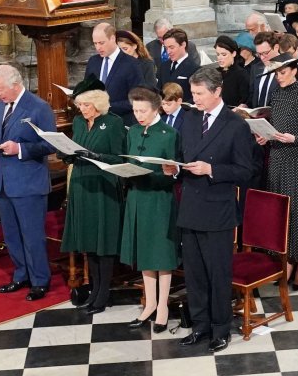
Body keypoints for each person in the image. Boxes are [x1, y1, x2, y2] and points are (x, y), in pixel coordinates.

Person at [165, 66, 258, 353]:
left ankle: (220, 328)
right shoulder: (191, 120)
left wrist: (212, 169)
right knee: (194, 273)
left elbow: (248, 170)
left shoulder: (236, 125)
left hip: (218, 210)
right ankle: (200, 325)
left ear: (218, 91)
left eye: (200, 94)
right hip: (190, 207)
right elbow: (182, 156)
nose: (195, 99)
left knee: (218, 273)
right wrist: (174, 169)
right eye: (193, 93)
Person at [0, 64, 57, 301]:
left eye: (0, 88)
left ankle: (39, 280)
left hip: (28, 182)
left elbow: (50, 145)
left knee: (32, 234)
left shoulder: (39, 108)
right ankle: (21, 275)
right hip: (4, 181)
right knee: (12, 234)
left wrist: (20, 149)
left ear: (15, 84)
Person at [253, 58, 298, 290]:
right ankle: (282, 259)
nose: (278, 76)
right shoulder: (276, 95)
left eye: (282, 72)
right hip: (277, 158)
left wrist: (294, 138)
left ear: (294, 71)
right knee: (278, 212)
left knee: (296, 214)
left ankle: (297, 262)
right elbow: (276, 127)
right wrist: (265, 136)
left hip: (295, 161)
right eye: (276, 73)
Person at [59, 82, 125, 315]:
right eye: (79, 105)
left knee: (103, 242)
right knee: (89, 242)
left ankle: (103, 294)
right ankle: (95, 291)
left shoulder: (113, 123)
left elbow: (119, 158)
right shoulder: (78, 122)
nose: (82, 109)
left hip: (103, 186)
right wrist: (65, 153)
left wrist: (96, 156)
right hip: (81, 185)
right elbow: (74, 146)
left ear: (98, 103)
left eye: (86, 104)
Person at [119, 87, 179, 333]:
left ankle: (163, 306)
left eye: (143, 111)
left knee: (161, 253)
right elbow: (128, 160)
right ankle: (150, 302)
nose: (138, 115)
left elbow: (174, 172)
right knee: (144, 251)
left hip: (159, 199)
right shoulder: (132, 131)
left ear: (156, 109)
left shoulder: (169, 133)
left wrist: (165, 174)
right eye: (135, 111)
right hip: (137, 197)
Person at [86, 22, 145, 125]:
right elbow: (86, 88)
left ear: (112, 38)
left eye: (101, 43)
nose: (98, 47)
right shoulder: (93, 61)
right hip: (94, 122)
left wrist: (108, 107)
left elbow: (137, 100)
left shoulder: (131, 64)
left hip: (120, 123)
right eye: (95, 43)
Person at [212, 35, 251, 107]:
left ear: (233, 53)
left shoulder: (242, 74)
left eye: (224, 55)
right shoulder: (214, 73)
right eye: (218, 54)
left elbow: (245, 100)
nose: (220, 58)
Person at [154, 28, 197, 92]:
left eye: (171, 47)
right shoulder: (163, 66)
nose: (168, 52)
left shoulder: (195, 69)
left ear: (183, 44)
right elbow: (158, 91)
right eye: (166, 48)